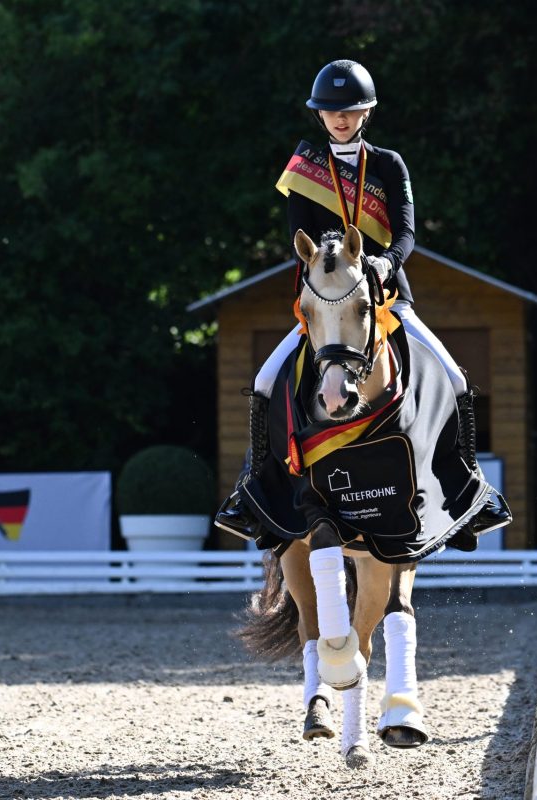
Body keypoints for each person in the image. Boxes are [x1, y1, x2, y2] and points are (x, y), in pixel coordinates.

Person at [215, 58, 509, 541]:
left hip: (386, 298)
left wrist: (385, 263)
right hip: (327, 302)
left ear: (366, 112)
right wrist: (334, 265)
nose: (340, 118)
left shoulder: (390, 165)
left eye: (350, 110)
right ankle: (251, 496)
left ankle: (470, 494)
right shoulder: (304, 169)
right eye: (331, 111)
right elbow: (300, 237)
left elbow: (407, 232)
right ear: (320, 116)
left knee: (455, 377)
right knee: (266, 380)